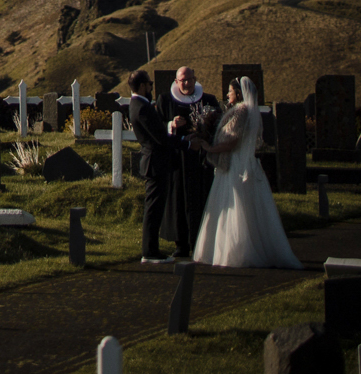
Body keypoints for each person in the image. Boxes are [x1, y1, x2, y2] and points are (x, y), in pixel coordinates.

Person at [192, 77, 300, 269]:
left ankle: (234, 251)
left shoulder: (241, 111)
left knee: (233, 206)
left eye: (230, 91)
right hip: (245, 164)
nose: (227, 94)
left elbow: (232, 141)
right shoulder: (249, 111)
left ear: (239, 93)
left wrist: (210, 148)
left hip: (234, 165)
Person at [123, 70, 187, 262]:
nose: (151, 88)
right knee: (153, 209)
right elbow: (158, 137)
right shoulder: (142, 107)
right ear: (142, 86)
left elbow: (157, 129)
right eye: (149, 84)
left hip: (155, 161)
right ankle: (150, 251)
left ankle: (151, 249)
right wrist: (186, 143)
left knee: (155, 208)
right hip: (155, 163)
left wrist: (170, 126)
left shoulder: (137, 104)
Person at [164, 65, 222, 248]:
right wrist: (171, 125)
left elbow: (218, 125)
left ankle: (204, 242)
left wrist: (203, 135)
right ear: (176, 82)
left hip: (201, 160)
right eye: (183, 80)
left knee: (201, 198)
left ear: (195, 80)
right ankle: (181, 244)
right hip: (179, 160)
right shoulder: (166, 101)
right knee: (180, 200)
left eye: (190, 79)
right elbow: (158, 128)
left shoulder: (208, 100)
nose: (187, 83)